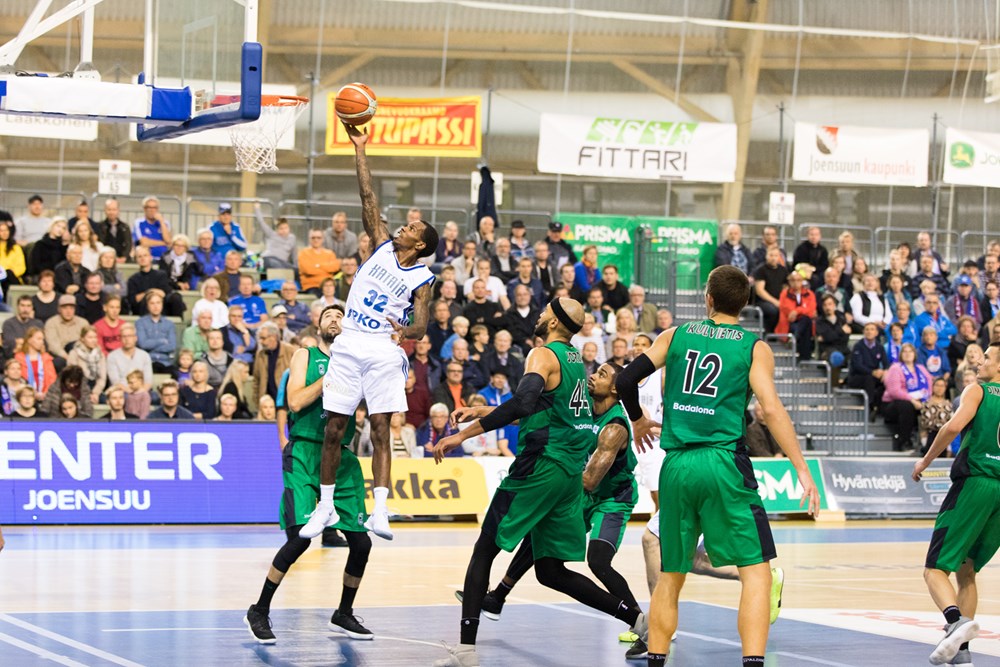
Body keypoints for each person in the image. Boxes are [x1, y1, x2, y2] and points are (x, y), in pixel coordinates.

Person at [614, 265, 820, 667]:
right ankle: (753, 663)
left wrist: (637, 419)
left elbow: (625, 381)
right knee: (756, 573)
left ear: (707, 298)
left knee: (671, 574)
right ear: (744, 304)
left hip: (675, 465)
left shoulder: (674, 335)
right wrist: (801, 468)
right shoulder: (753, 346)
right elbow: (771, 410)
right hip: (724, 462)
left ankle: (656, 658)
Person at [431, 299, 649, 667]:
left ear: (552, 321)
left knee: (485, 548)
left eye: (544, 310)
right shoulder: (577, 362)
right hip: (568, 477)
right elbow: (544, 408)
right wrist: (483, 410)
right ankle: (638, 620)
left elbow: (521, 403)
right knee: (550, 571)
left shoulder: (542, 355)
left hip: (540, 468)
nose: (539, 314)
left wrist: (462, 435)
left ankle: (466, 650)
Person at [245, 304, 375, 644]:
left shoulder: (357, 363)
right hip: (305, 450)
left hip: (341, 457)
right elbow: (297, 400)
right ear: (319, 327)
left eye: (340, 315)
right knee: (301, 538)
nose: (334, 318)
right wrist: (330, 378)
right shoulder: (306, 354)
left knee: (361, 543)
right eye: (328, 316)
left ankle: (343, 613)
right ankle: (259, 609)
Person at [911, 342, 1000, 667]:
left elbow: (952, 427)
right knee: (968, 569)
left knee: (935, 569)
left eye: (986, 358)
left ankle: (955, 622)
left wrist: (924, 461)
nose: (979, 363)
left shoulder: (980, 390)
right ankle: (961, 653)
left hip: (975, 482)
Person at [883, 343, 933, 452]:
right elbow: (894, 391)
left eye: (910, 351)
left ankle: (930, 445)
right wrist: (912, 400)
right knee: (906, 406)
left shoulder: (921, 368)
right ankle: (904, 442)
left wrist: (924, 399)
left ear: (914, 354)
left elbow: (929, 386)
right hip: (894, 404)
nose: (908, 354)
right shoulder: (895, 368)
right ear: (901, 354)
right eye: (905, 351)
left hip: (919, 402)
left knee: (934, 407)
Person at [127, 246, 185, 318]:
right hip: (142, 308)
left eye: (145, 255)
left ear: (150, 257)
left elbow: (165, 293)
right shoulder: (133, 279)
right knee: (149, 300)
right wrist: (149, 292)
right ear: (136, 260)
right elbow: (134, 300)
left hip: (162, 306)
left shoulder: (161, 275)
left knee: (176, 297)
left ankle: (178, 323)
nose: (142, 258)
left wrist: (152, 294)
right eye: (139, 256)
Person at [776, 271, 816, 360]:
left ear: (802, 281)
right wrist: (801, 311)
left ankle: (795, 338)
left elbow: (811, 310)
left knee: (806, 321)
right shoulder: (784, 294)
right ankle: (805, 358)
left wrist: (797, 311)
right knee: (806, 324)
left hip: (804, 322)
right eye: (793, 280)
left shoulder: (810, 294)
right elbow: (786, 309)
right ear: (789, 282)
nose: (796, 283)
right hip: (790, 323)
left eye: (798, 280)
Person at [136, 291, 177, 375]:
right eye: (152, 303)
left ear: (162, 304)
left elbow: (172, 346)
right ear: (147, 305)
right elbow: (143, 344)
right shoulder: (140, 323)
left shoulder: (169, 324)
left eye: (158, 303)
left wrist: (150, 348)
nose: (155, 306)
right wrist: (162, 341)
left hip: (166, 363)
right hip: (147, 362)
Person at [253, 322, 295, 402]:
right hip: (267, 403)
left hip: (286, 401)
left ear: (274, 337)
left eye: (263, 338)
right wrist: (257, 401)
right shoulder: (260, 354)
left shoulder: (289, 351)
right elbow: (256, 380)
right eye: (260, 338)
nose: (261, 342)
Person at [66, 326, 107, 403]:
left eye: (95, 337)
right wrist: (86, 394)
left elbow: (102, 378)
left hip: (95, 387)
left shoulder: (100, 354)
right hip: (78, 388)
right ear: (82, 339)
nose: (93, 340)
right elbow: (73, 378)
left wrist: (95, 393)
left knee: (107, 401)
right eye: (90, 337)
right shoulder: (74, 353)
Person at [753, 246, 788, 333]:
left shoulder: (783, 270)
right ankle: (770, 335)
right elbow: (760, 291)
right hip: (762, 302)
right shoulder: (761, 270)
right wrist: (775, 302)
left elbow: (785, 287)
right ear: (766, 256)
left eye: (776, 255)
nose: (773, 258)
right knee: (773, 310)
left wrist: (783, 301)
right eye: (771, 255)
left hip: (779, 300)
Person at [106, 324, 153, 390]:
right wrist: (130, 393)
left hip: (142, 391)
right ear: (120, 339)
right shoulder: (112, 356)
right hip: (121, 392)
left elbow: (148, 381)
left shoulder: (144, 355)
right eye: (124, 336)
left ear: (135, 338)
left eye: (130, 336)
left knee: (154, 397)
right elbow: (115, 382)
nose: (127, 339)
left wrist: (140, 393)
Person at [45, 295, 88, 362]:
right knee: (58, 362)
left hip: (80, 355)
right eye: (65, 308)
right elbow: (53, 345)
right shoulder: (51, 323)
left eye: (71, 308)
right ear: (59, 309)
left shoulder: (83, 322)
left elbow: (88, 341)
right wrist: (67, 357)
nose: (68, 311)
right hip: (60, 356)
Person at [299, 229, 341, 295]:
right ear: (309, 239)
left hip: (329, 285)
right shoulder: (303, 253)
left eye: (319, 238)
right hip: (312, 286)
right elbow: (308, 270)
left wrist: (317, 266)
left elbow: (335, 267)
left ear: (323, 239)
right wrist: (326, 268)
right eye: (313, 238)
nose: (316, 240)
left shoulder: (330, 253)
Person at [16, 327, 56, 396]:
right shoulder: (19, 358)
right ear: (29, 340)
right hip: (25, 396)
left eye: (43, 339)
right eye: (39, 339)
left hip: (45, 396)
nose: (42, 342)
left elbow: (52, 379)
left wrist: (45, 394)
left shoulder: (46, 358)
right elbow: (18, 380)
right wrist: (31, 393)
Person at [132, 196, 172, 260]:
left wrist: (161, 222)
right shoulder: (139, 223)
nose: (152, 210)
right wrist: (164, 243)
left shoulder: (165, 223)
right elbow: (143, 242)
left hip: (164, 259)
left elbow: (169, 241)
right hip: (147, 259)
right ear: (144, 209)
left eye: (154, 208)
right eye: (149, 207)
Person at [792, 226, 829, 290]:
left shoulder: (823, 250)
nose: (814, 237)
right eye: (811, 234)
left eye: (816, 235)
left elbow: (825, 265)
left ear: (820, 236)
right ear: (807, 236)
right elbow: (797, 263)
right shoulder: (801, 248)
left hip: (818, 274)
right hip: (802, 273)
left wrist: (814, 269)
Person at [0, 220, 26, 287]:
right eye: (1, 231)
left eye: (6, 230)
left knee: (8, 273)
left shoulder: (16, 248)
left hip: (11, 278)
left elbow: (21, 267)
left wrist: (7, 274)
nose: (4, 233)